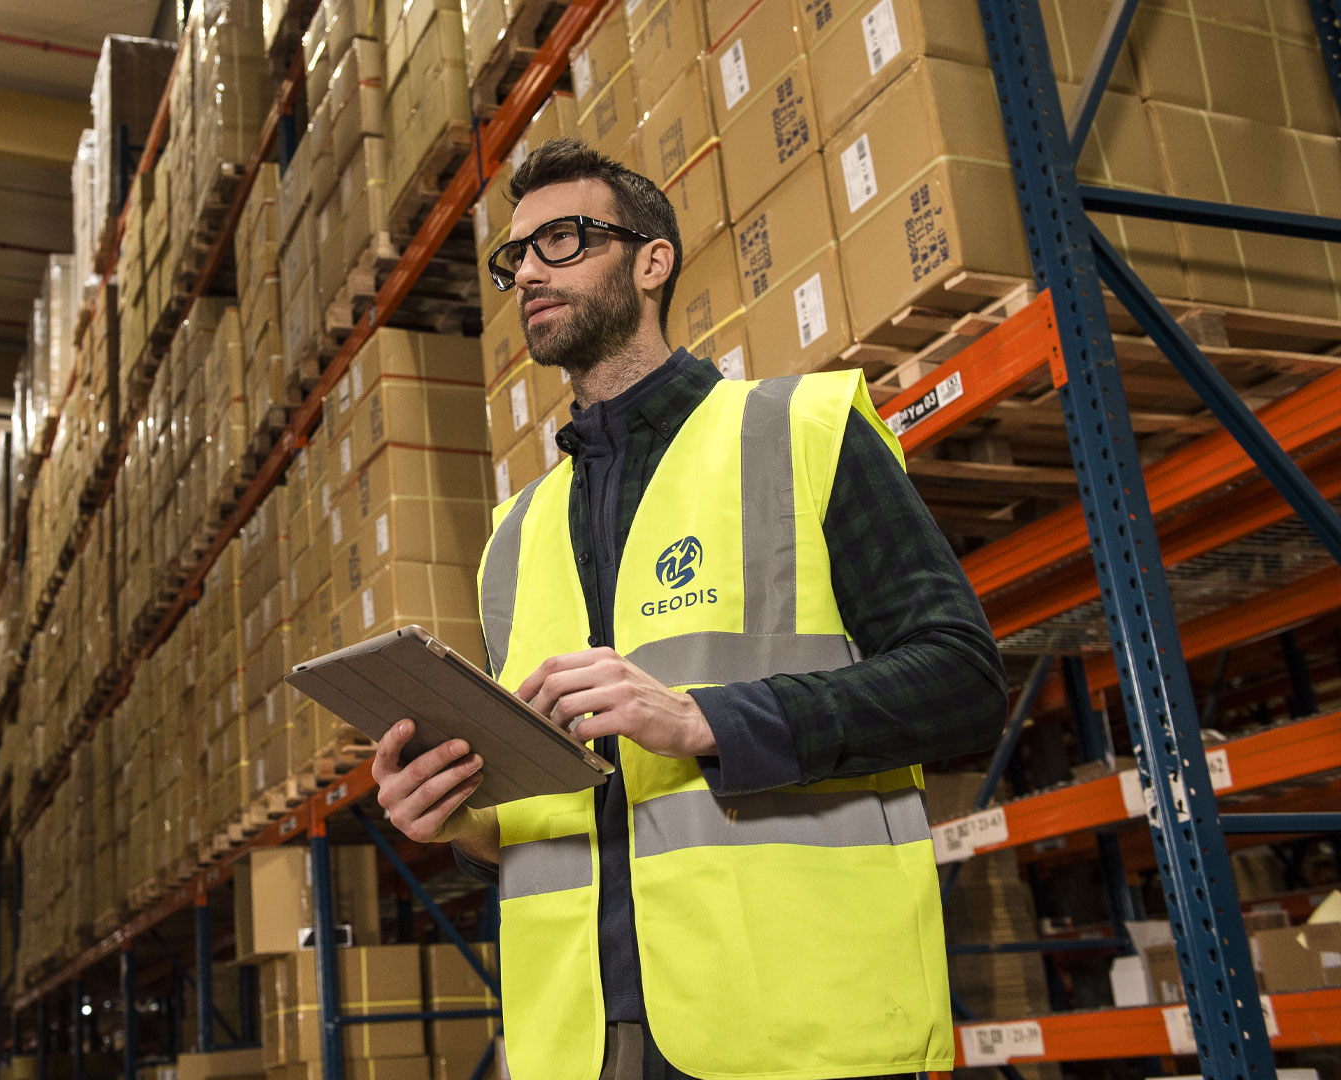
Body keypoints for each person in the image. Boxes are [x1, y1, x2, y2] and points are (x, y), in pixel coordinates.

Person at [370, 138, 1008, 1080]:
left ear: (653, 261)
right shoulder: (514, 535)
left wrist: (701, 718)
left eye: (566, 240)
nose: (530, 273)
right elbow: (567, 812)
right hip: (582, 1046)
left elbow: (961, 680)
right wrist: (464, 823)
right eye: (517, 257)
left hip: (796, 1033)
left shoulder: (798, 432)